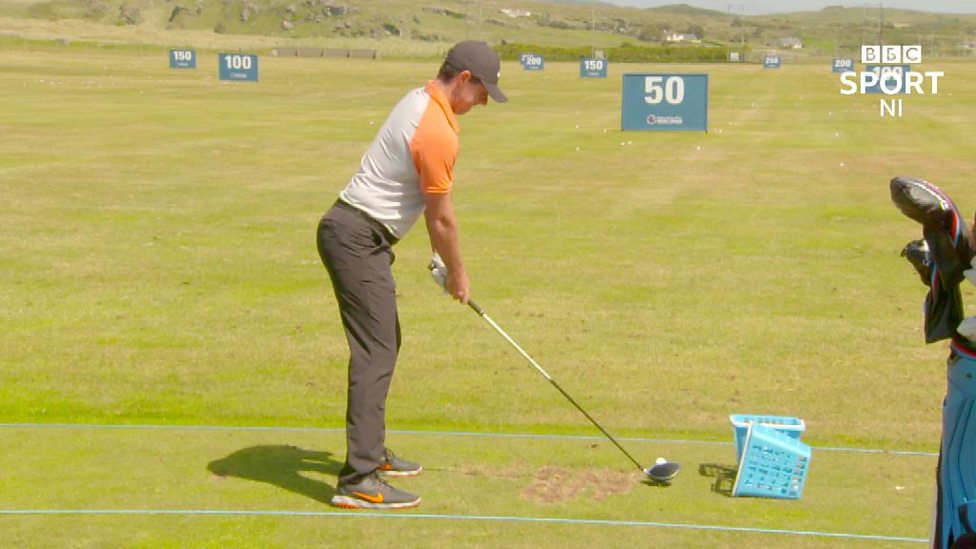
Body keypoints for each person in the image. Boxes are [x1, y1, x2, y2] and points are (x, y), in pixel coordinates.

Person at [316, 41, 508, 510]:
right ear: (463, 78)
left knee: (385, 342)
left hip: (362, 237)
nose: (483, 102)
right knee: (375, 352)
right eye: (483, 91)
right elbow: (441, 219)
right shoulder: (438, 130)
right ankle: (358, 479)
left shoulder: (420, 98)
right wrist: (458, 276)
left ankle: (373, 454)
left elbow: (418, 202)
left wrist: (443, 263)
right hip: (356, 238)